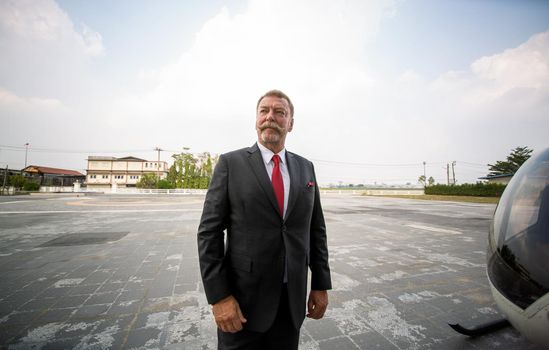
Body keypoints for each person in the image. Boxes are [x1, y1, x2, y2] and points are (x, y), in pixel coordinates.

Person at [197, 89, 332, 349]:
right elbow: (209, 233)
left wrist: (320, 284)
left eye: (280, 112)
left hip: (290, 304)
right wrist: (219, 297)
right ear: (256, 119)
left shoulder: (306, 168)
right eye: (264, 111)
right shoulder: (230, 164)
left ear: (290, 123)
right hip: (242, 305)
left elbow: (316, 230)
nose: (271, 117)